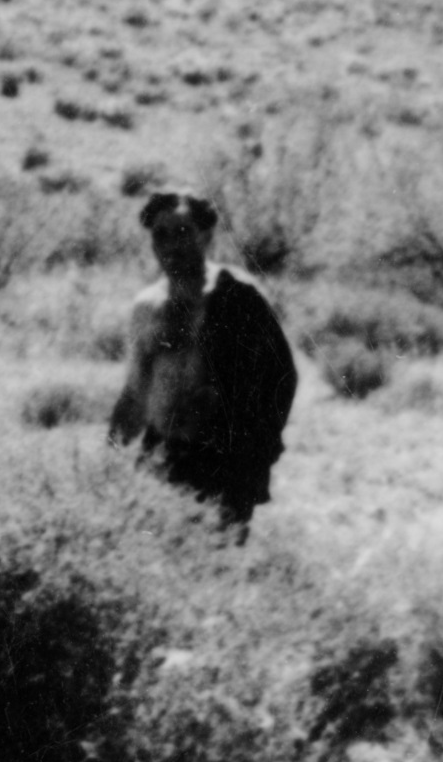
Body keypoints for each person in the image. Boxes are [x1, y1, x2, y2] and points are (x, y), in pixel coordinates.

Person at [105, 183, 300, 533]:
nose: (170, 245)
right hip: (160, 458)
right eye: (160, 234)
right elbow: (135, 391)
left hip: (222, 464)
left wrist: (254, 454)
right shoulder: (146, 306)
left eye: (182, 231)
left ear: (207, 235)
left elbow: (280, 378)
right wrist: (111, 461)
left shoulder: (237, 296)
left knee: (216, 564)